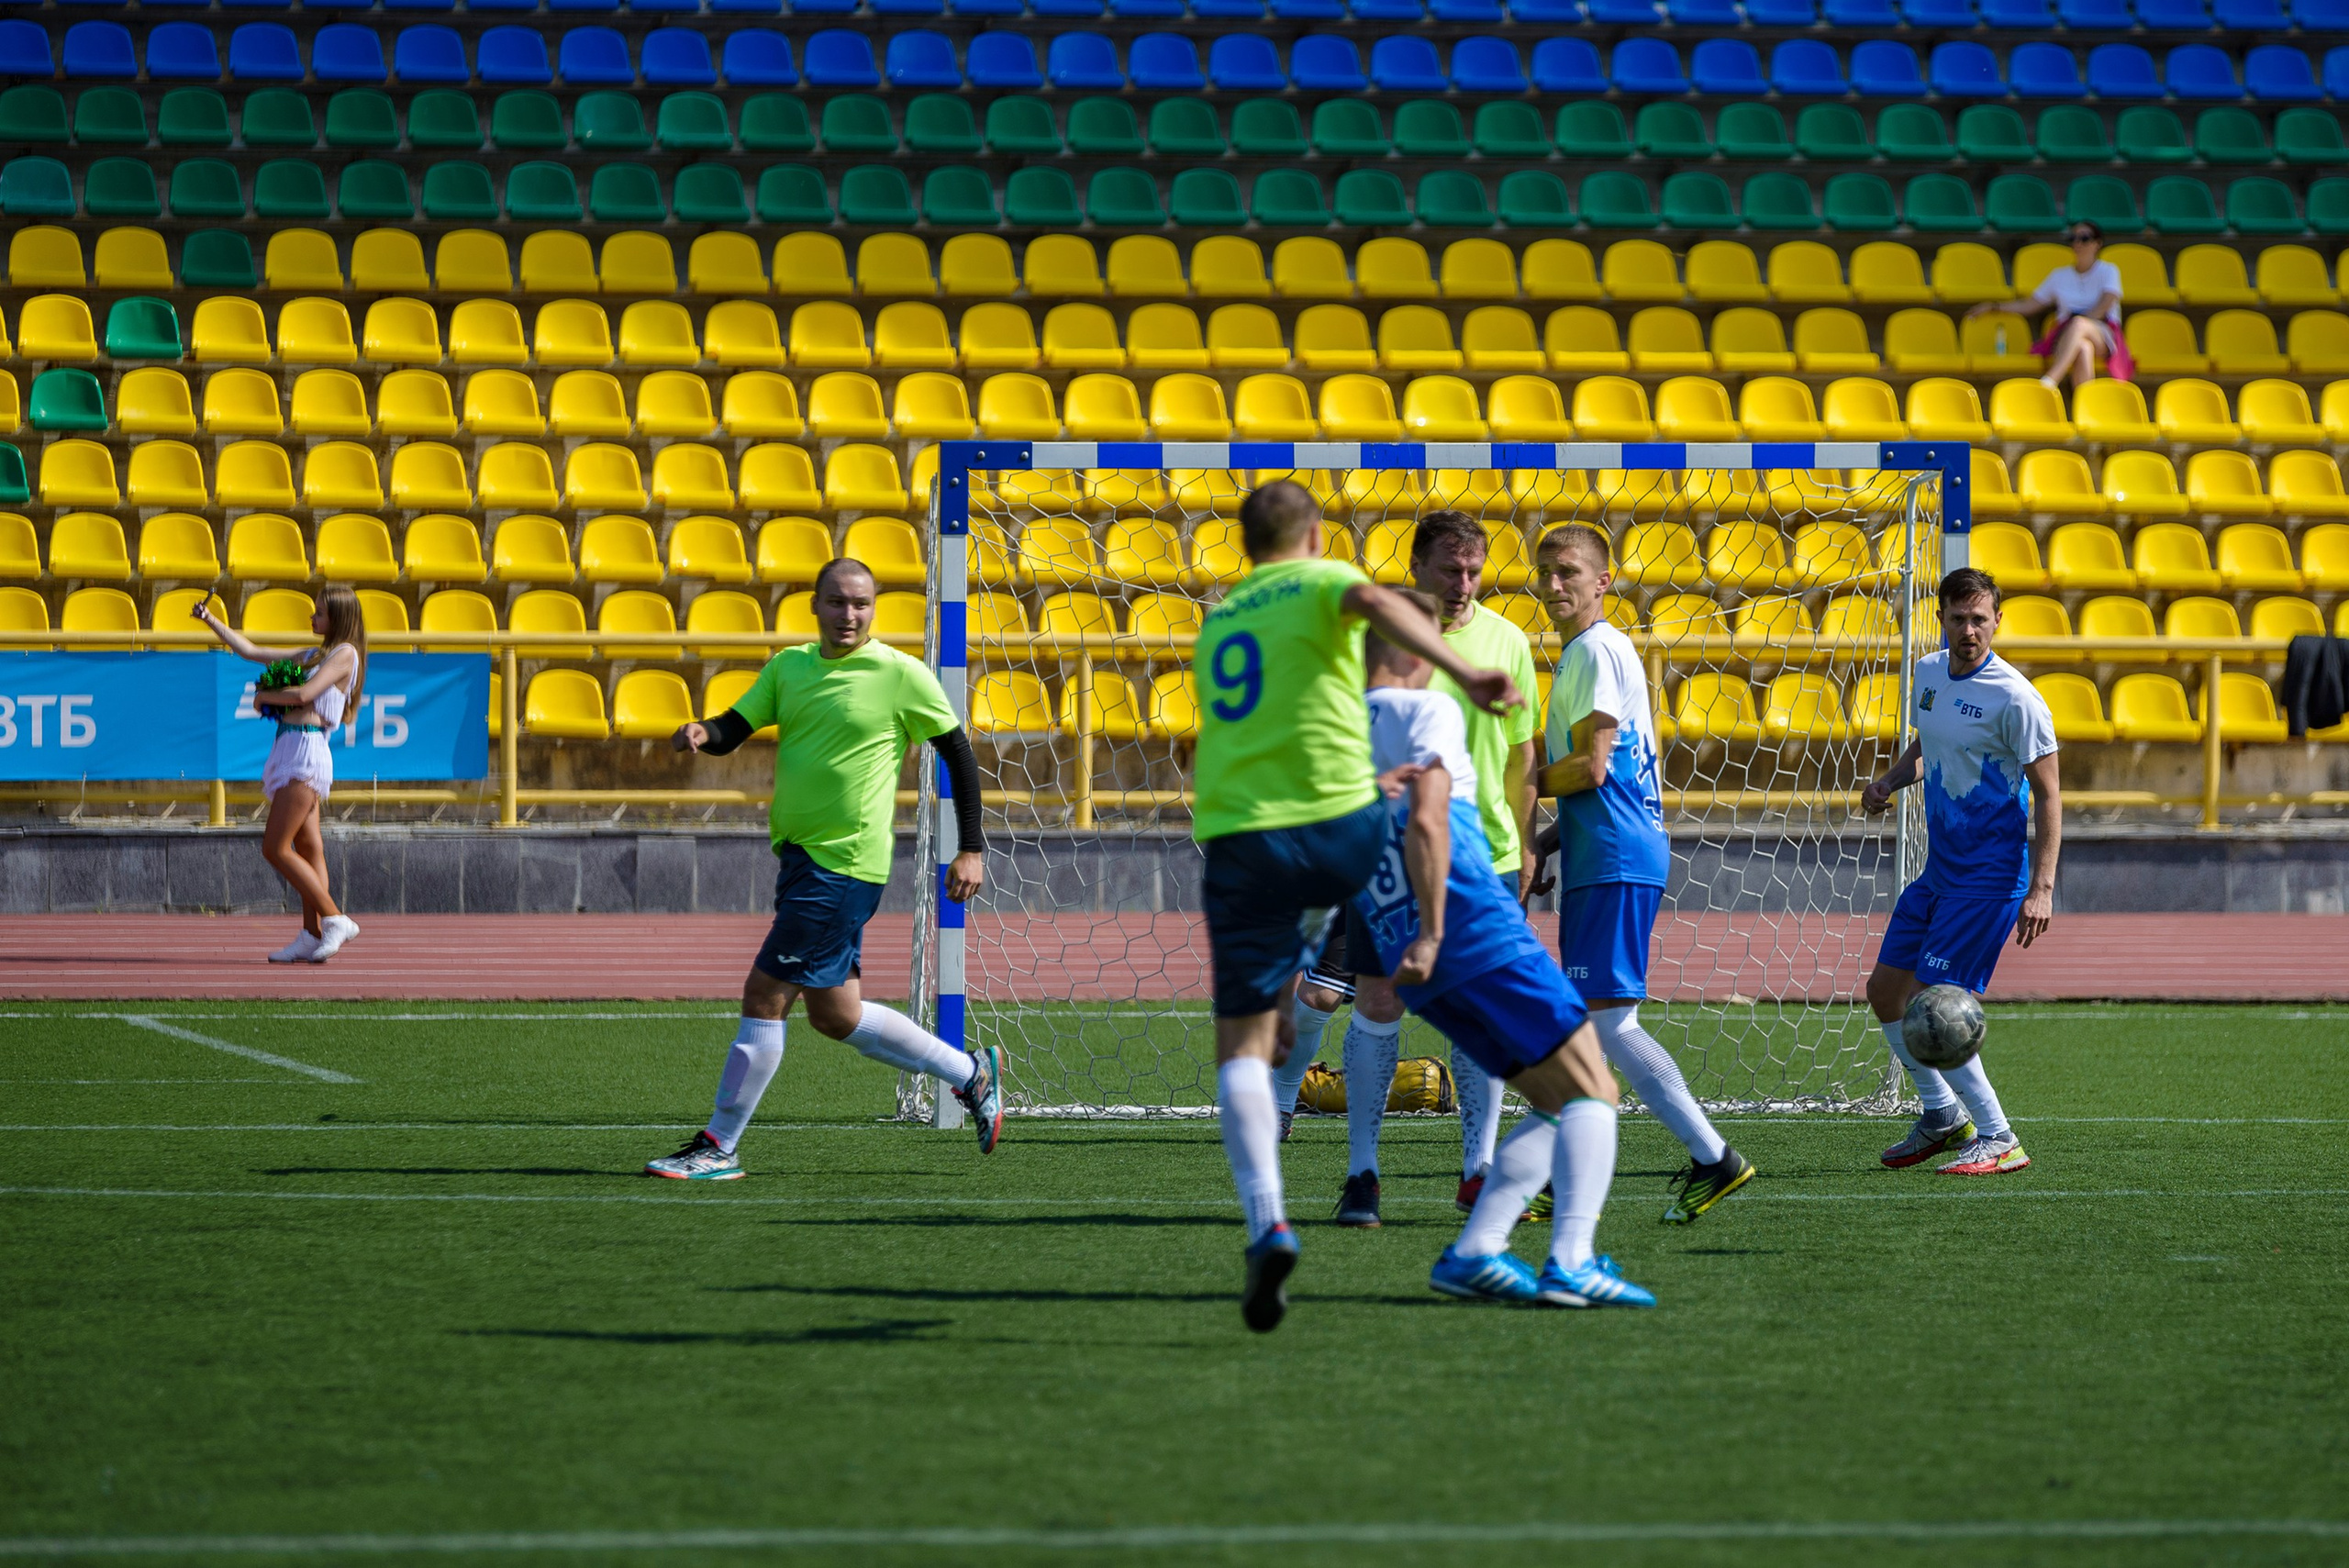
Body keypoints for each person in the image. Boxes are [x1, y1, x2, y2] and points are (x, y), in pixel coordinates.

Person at [1192, 481, 1520, 1332]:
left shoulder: (1223, 620)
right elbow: (1370, 600)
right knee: (1413, 997)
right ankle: (1389, 1168)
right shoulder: (1329, 589)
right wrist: (1463, 674)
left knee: (1252, 1040)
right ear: (1313, 535)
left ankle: (1268, 1217)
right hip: (1365, 826)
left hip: (1245, 828)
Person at [642, 558, 1003, 1180]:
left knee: (765, 991)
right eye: (837, 602)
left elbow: (958, 752)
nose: (849, 614)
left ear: (874, 609)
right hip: (801, 859)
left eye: (861, 603)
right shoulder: (790, 666)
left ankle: (719, 1144)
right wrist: (705, 731)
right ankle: (972, 1073)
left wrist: (971, 846)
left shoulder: (898, 673)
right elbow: (738, 724)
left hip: (845, 862)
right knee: (835, 1013)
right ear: (815, 605)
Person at [1350, 595, 1653, 1308]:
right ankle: (1569, 1260)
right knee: (1594, 1086)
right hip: (1470, 928)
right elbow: (1430, 819)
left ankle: (1477, 1251)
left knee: (1552, 1098)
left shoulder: (1329, 737)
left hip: (1400, 944)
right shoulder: (1428, 712)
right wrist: (1433, 927)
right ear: (1420, 648)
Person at [1273, 510, 1542, 1229]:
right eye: (1449, 569)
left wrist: (1527, 839)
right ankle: (1362, 1173)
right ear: (1417, 566)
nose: (1463, 584)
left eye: (1474, 571)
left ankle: (1477, 1171)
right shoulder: (1381, 643)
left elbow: (1521, 757)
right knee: (1378, 1001)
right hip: (1386, 863)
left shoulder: (1508, 641)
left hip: (1486, 856)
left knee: (1479, 1014)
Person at [1530, 526, 1756, 1224]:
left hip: (1616, 856)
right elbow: (1600, 780)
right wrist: (1548, 836)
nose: (1554, 584)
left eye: (1569, 571)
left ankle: (1704, 1157)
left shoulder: (1597, 648)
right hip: (1602, 850)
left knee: (1602, 1025)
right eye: (1546, 572)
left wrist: (1515, 784)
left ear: (1603, 582)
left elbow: (1592, 768)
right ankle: (1700, 1158)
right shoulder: (1581, 654)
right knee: (1597, 1022)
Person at [1861, 566, 2061, 1177]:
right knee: (1885, 992)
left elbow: (2050, 796)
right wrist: (1891, 780)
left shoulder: (2017, 699)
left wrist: (2042, 888)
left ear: (1998, 620)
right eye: (1958, 618)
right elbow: (1930, 743)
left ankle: (2000, 1137)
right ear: (1942, 619)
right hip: (1939, 874)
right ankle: (1942, 1115)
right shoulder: (1927, 673)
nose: (1969, 629)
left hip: (1989, 880)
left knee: (1932, 1006)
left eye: (1981, 618)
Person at [194, 587, 365, 964]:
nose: (312, 619)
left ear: (338, 617)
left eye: (319, 613)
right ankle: (310, 933)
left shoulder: (345, 654)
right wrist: (210, 620)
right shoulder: (314, 654)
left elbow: (304, 696)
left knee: (275, 846)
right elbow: (252, 652)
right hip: (290, 746)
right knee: (309, 848)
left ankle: (334, 917)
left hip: (306, 751)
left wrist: (263, 698)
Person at [1965, 222, 2127, 391]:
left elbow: (2107, 302)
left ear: (2097, 243)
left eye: (2084, 238)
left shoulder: (2108, 270)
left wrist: (2079, 323)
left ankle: (2048, 382)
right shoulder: (2060, 275)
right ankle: (2084, 406)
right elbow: (2030, 304)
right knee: (2083, 348)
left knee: (2079, 325)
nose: (2078, 243)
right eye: (2073, 238)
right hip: (2069, 332)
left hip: (2102, 330)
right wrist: (1993, 307)